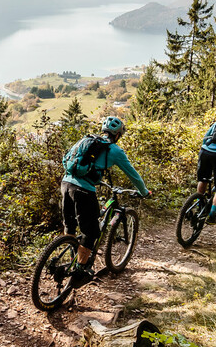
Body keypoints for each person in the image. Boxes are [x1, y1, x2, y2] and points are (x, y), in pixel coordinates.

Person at [61, 116, 150, 287]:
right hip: (83, 190)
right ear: (117, 135)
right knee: (91, 232)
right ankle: (79, 269)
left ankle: (72, 255)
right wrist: (143, 192)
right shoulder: (114, 150)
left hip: (66, 183)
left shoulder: (86, 140)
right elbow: (133, 175)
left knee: (70, 226)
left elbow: (69, 159)